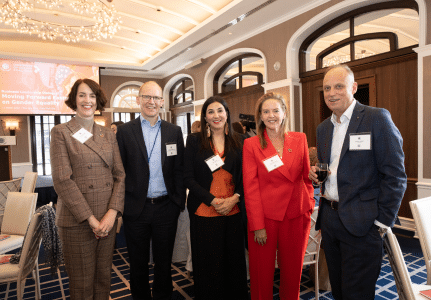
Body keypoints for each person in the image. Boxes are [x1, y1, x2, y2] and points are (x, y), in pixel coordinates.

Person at [309, 64, 407, 300]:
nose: (332, 93)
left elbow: (395, 175)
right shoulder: (323, 129)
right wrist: (316, 175)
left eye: (339, 86)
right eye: (327, 88)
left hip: (364, 224)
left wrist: (382, 222)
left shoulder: (376, 119)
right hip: (331, 220)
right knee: (340, 291)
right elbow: (330, 169)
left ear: (353, 87)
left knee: (359, 293)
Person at [50, 78, 125, 299]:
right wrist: (92, 220)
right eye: (82, 95)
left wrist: (112, 214)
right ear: (74, 99)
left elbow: (120, 175)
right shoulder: (61, 132)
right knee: (82, 285)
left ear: (98, 100)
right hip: (78, 221)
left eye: (92, 96)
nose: (87, 100)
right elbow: (63, 180)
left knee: (103, 280)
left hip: (107, 220)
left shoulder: (108, 134)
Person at [116, 81, 186, 300]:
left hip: (166, 207)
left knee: (164, 263)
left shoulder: (174, 131)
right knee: (137, 263)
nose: (151, 102)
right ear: (138, 100)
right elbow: (119, 171)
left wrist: (177, 202)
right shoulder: (125, 132)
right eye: (147, 97)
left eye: (156, 98)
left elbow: (180, 168)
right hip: (136, 208)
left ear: (162, 102)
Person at [243, 92, 315, 300]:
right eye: (266, 111)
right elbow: (250, 186)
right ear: (260, 116)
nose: (271, 115)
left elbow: (306, 177)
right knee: (261, 274)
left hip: (296, 214)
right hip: (265, 218)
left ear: (284, 113)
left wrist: (308, 204)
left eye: (276, 110)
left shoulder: (300, 139)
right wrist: (257, 225)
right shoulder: (252, 144)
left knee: (293, 273)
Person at [184, 96, 248, 300]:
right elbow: (187, 177)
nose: (216, 115)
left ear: (227, 113)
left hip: (233, 210)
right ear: (205, 117)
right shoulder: (195, 141)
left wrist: (234, 198)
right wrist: (211, 200)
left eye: (220, 110)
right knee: (208, 264)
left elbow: (248, 176)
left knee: (233, 262)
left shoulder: (241, 140)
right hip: (204, 210)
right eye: (210, 112)